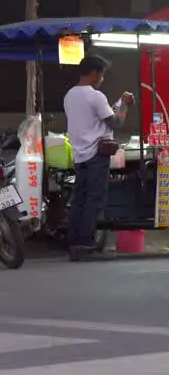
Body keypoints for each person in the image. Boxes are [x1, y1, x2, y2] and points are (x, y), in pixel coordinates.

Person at [63, 55, 131, 262]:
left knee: (79, 201)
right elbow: (116, 123)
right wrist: (125, 105)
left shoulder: (69, 95)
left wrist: (118, 102)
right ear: (93, 73)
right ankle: (85, 244)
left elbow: (99, 116)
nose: (102, 78)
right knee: (94, 200)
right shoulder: (95, 96)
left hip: (80, 155)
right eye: (101, 73)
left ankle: (74, 244)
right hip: (96, 155)